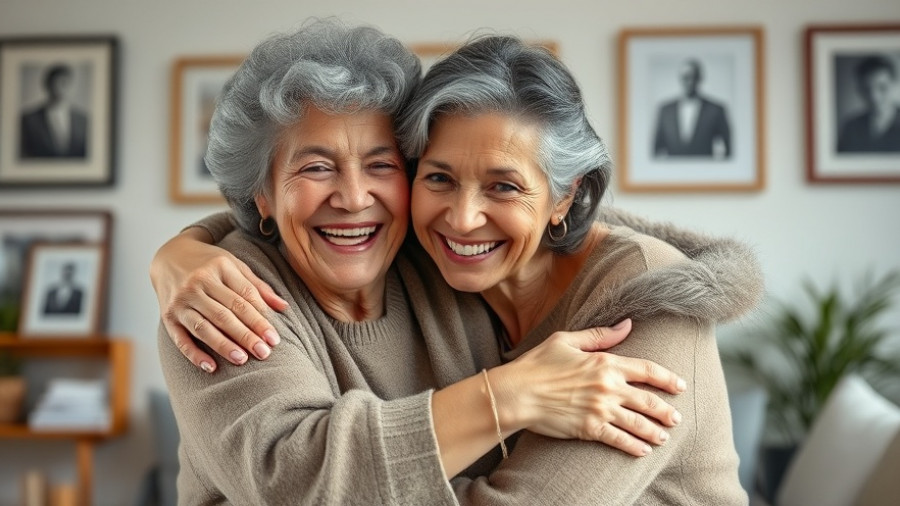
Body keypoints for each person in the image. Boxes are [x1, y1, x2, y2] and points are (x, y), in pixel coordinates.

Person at [154, 27, 763, 505]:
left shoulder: (639, 299)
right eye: (315, 168)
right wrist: (180, 252)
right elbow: (297, 477)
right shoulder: (219, 302)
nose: (355, 197)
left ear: (566, 197)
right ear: (259, 193)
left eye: (381, 165)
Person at [653, 58, 731, 158]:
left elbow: (729, 149)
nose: (689, 82)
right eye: (685, 77)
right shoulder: (665, 110)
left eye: (693, 77)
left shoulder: (716, 110)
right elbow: (655, 149)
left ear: (699, 79)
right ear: (680, 79)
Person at [20, 63, 89, 159]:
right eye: (55, 84)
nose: (60, 89)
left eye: (64, 83)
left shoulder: (83, 119)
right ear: (47, 85)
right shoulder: (29, 119)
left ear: (70, 86)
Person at [837, 55, 900, 153]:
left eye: (882, 87)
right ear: (859, 90)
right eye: (867, 89)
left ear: (894, 85)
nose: (874, 96)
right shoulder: (851, 127)